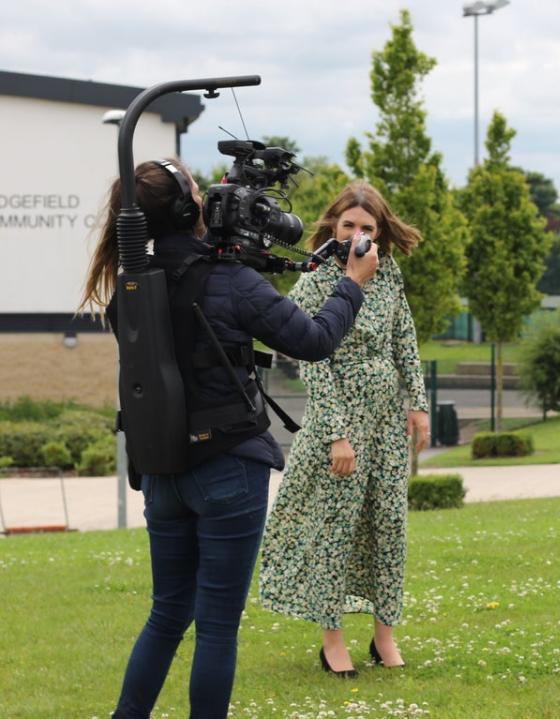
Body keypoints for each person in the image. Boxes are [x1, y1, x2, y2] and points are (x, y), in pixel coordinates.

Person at [79, 158, 379, 719]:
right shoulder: (228, 280)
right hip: (227, 469)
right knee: (216, 624)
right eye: (198, 191)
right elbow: (314, 340)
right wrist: (352, 285)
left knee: (167, 614)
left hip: (165, 471)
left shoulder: (131, 286)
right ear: (188, 209)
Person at [259, 180, 430, 677]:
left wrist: (417, 403)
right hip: (341, 425)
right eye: (349, 224)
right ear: (333, 226)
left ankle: (385, 635)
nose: (357, 234)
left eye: (367, 227)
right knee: (335, 531)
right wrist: (337, 432)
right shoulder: (314, 282)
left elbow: (405, 337)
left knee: (389, 527)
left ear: (381, 234)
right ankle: (332, 639)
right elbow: (312, 364)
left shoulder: (387, 273)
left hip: (385, 424)